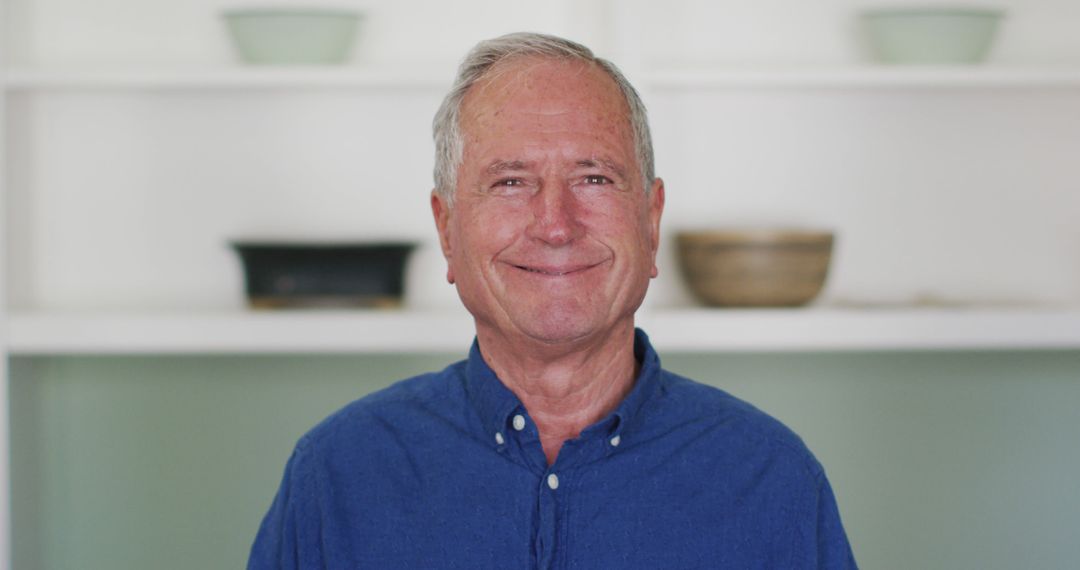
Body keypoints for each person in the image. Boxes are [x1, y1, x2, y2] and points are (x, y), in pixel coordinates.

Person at [248, 32, 857, 569]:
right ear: (447, 230)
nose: (556, 225)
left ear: (650, 222)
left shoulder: (771, 478)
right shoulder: (337, 476)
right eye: (510, 182)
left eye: (594, 178)